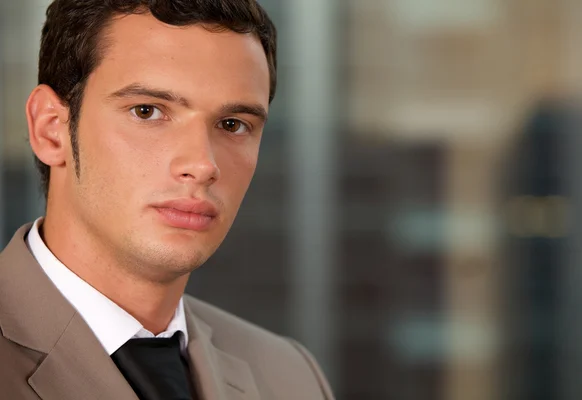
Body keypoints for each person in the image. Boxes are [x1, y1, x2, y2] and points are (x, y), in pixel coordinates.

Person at [0, 1, 334, 399]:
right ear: (51, 130)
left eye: (233, 125)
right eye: (147, 111)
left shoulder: (290, 376)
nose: (203, 164)